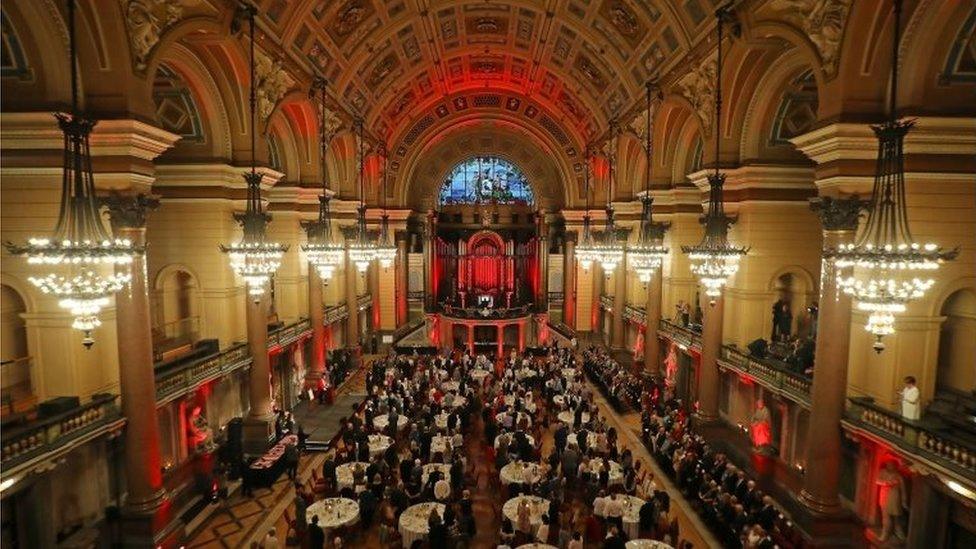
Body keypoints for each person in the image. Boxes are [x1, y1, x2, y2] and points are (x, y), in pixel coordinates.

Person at [876, 461, 908, 542]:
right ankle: (885, 533)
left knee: (896, 517)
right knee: (886, 518)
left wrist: (904, 501)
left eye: (892, 465)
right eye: (889, 464)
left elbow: (903, 490)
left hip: (895, 498)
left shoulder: (898, 476)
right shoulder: (883, 472)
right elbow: (877, 480)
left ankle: (898, 533)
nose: (890, 466)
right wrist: (886, 483)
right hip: (884, 497)